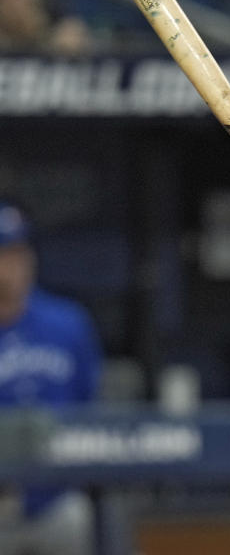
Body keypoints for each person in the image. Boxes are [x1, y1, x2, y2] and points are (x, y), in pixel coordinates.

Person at [0, 199, 102, 555]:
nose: (7, 267)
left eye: (14, 254)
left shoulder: (67, 323)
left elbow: (89, 402)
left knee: (75, 516)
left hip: (56, 497)